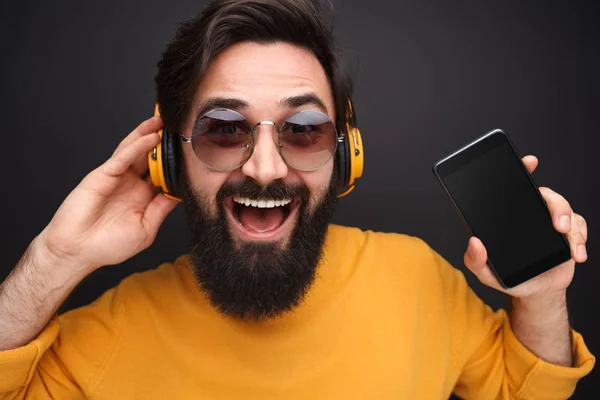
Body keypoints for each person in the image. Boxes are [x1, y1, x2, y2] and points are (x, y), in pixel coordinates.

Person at [0, 0, 595, 398]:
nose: (264, 169)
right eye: (225, 129)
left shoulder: (415, 279)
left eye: (303, 130)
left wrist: (543, 296)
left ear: (346, 154)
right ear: (169, 159)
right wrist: (54, 258)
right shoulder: (112, 330)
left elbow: (529, 391)